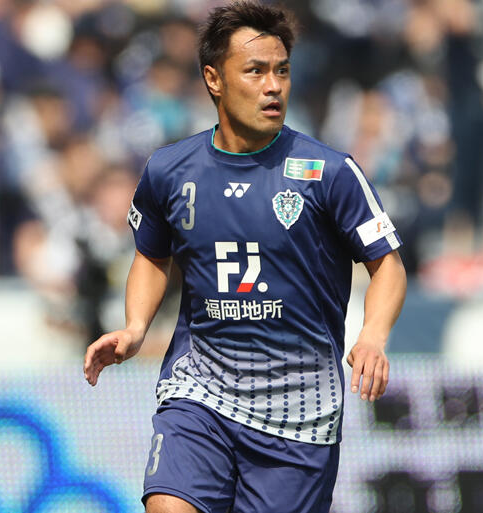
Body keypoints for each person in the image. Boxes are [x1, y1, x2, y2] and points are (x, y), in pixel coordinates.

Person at [83, 2, 407, 512]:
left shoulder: (330, 172)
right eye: (255, 71)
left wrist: (372, 335)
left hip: (298, 411)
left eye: (282, 71)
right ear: (214, 78)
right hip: (200, 391)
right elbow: (152, 256)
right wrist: (135, 327)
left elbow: (387, 263)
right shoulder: (169, 171)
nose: (273, 86)